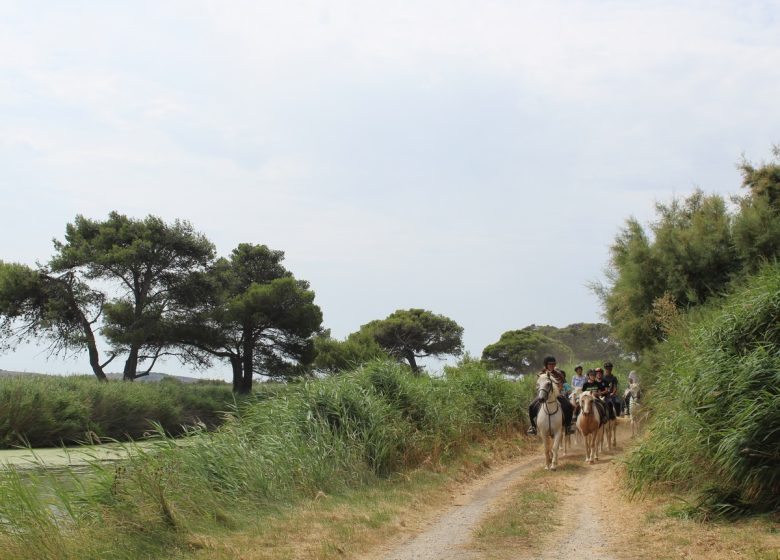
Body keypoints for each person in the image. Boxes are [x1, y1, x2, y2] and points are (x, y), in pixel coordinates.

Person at [527, 356, 575, 435]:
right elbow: (537, 385)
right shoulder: (541, 374)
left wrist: (559, 389)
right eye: (550, 364)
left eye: (553, 364)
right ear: (546, 365)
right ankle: (533, 427)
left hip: (556, 395)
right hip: (543, 394)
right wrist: (542, 391)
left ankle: (568, 426)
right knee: (531, 406)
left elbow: (562, 384)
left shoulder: (558, 374)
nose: (552, 366)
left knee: (569, 406)